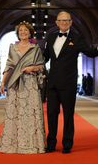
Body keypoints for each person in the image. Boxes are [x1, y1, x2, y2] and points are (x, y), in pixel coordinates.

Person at [43, 11, 98, 154]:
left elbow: (91, 53)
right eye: (61, 20)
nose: (64, 23)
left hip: (68, 83)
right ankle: (51, 143)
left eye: (67, 20)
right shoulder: (51, 37)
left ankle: (67, 144)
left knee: (68, 115)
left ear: (71, 22)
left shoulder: (77, 38)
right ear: (56, 22)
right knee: (51, 114)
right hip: (53, 83)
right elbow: (45, 58)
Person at [0, 21, 46, 154]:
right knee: (15, 112)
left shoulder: (35, 49)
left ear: (30, 33)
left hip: (30, 84)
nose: (23, 32)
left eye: (26, 30)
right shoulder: (12, 48)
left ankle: (31, 143)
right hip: (15, 84)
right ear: (18, 33)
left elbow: (41, 66)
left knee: (30, 113)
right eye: (21, 31)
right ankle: (13, 143)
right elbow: (9, 66)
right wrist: (3, 83)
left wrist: (32, 68)